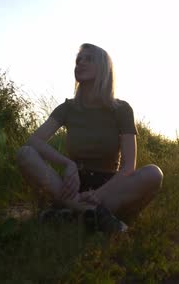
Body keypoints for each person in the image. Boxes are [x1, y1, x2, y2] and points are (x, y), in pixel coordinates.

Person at [16, 43, 163, 233]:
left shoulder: (121, 109)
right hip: (72, 185)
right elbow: (34, 141)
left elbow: (128, 166)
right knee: (25, 154)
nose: (80, 63)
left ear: (103, 68)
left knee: (154, 173)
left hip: (108, 188)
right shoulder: (67, 108)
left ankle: (70, 211)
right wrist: (68, 164)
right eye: (79, 60)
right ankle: (95, 215)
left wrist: (97, 195)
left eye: (89, 59)